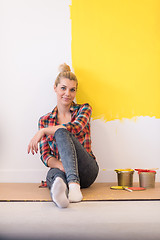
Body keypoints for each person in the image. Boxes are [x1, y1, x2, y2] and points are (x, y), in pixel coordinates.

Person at [28, 63, 99, 208]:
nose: (67, 93)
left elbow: (76, 127)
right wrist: (62, 165)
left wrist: (44, 131)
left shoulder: (84, 109)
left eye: (72, 90)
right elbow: (46, 156)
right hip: (62, 170)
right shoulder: (44, 120)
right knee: (52, 175)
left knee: (61, 131)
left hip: (86, 171)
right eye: (63, 88)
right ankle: (59, 192)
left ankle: (73, 187)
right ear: (55, 88)